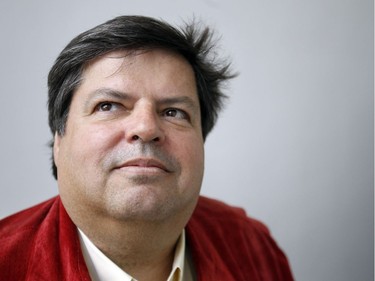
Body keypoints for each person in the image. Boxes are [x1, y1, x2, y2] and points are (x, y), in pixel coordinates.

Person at [0, 15, 294, 281]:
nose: (146, 128)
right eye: (109, 106)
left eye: (174, 112)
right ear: (59, 141)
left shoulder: (253, 246)